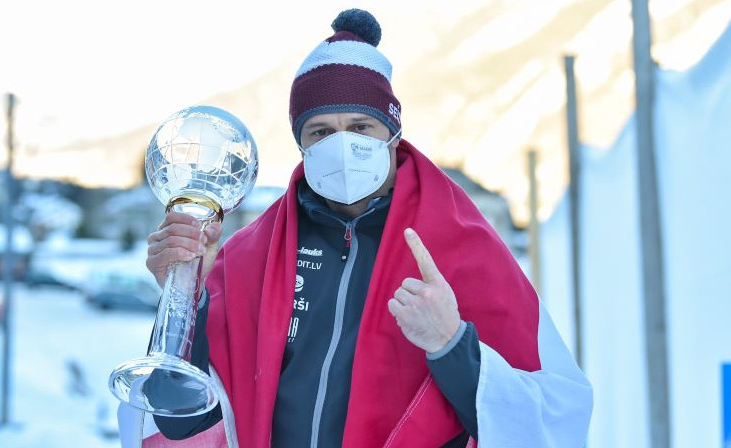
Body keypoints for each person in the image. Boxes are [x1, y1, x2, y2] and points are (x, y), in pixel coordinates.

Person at [138, 8, 592, 448]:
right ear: (300, 143)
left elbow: (545, 423)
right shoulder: (249, 257)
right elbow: (184, 424)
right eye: (320, 131)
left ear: (393, 134)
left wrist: (452, 346)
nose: (342, 144)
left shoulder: (462, 246)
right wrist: (183, 294)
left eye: (360, 126)